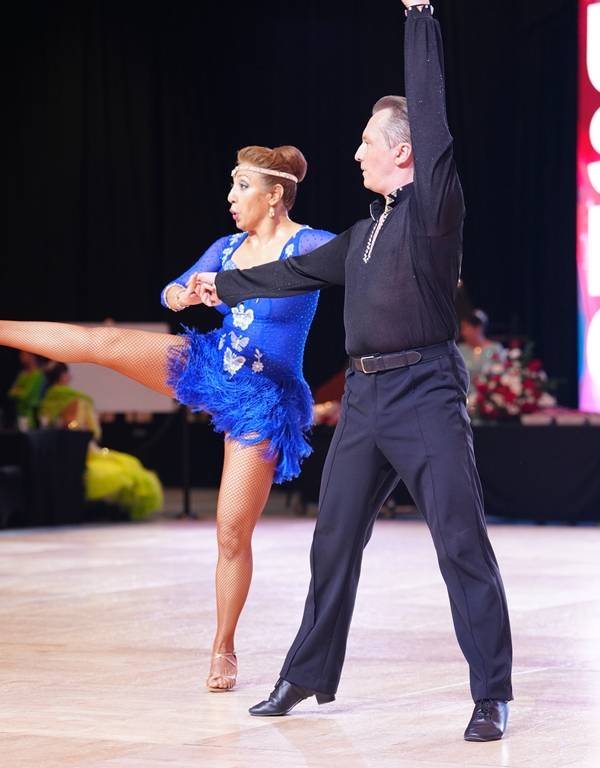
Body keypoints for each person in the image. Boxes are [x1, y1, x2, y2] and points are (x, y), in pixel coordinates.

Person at [196, 1, 513, 741]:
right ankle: (306, 673)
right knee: (332, 537)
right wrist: (222, 286)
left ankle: (491, 692)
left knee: (459, 541)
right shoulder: (363, 232)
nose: (356, 152)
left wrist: (419, 16)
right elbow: (295, 270)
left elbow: (429, 110)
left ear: (405, 153)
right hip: (367, 397)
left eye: (368, 142)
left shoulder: (434, 209)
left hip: (425, 390)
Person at [0, 143, 335, 692]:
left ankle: (223, 645)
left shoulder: (311, 244)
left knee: (231, 531)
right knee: (100, 342)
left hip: (266, 397)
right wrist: (184, 295)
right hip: (214, 364)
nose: (230, 197)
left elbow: (356, 262)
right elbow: (172, 289)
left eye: (241, 187)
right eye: (231, 185)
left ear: (275, 196)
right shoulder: (227, 247)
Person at [40, 362, 163, 520]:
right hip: (81, 452)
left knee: (127, 465)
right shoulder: (77, 400)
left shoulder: (46, 401)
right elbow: (84, 430)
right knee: (129, 468)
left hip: (54, 450)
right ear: (63, 376)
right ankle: (117, 511)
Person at [458, 309, 506, 381]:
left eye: (465, 328)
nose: (462, 333)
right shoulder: (460, 349)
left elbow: (502, 374)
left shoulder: (495, 348)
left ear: (477, 328)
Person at [7, 351, 48, 430]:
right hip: (19, 413)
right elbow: (11, 393)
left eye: (23, 355)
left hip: (31, 414)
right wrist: (19, 391)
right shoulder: (22, 374)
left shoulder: (38, 375)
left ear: (32, 356)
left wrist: (18, 390)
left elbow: (25, 395)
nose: (20, 357)